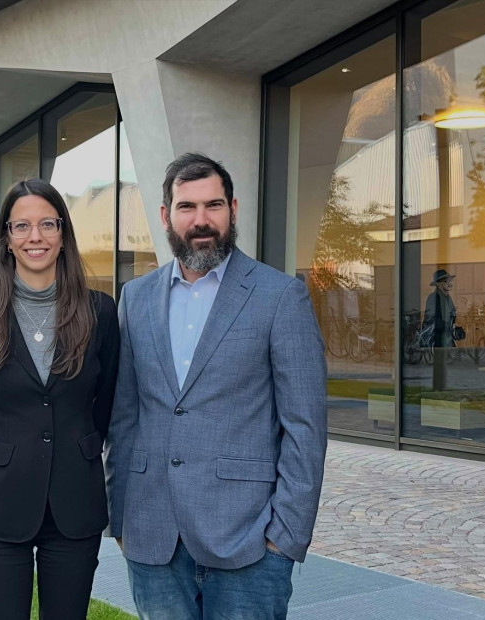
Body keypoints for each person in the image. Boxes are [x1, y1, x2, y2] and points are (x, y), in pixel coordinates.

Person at [104, 153, 327, 619]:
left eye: (214, 205)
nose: (201, 220)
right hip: (152, 536)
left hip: (249, 541)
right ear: (166, 215)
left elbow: (304, 426)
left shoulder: (280, 296)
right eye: (187, 207)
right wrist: (120, 514)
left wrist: (285, 535)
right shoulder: (135, 297)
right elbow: (124, 416)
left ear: (233, 209)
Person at [0, 178, 119, 619]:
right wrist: (8, 454)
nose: (36, 237)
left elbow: (105, 406)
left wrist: (78, 448)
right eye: (22, 226)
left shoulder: (100, 312)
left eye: (48, 224)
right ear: (7, 239)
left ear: (63, 233)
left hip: (74, 505)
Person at [422, 269, 460, 348]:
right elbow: (430, 319)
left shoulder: (448, 299)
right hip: (435, 341)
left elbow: (451, 319)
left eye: (450, 281)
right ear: (438, 284)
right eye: (446, 281)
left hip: (446, 341)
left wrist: (456, 330)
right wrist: (447, 326)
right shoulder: (433, 298)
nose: (450, 283)